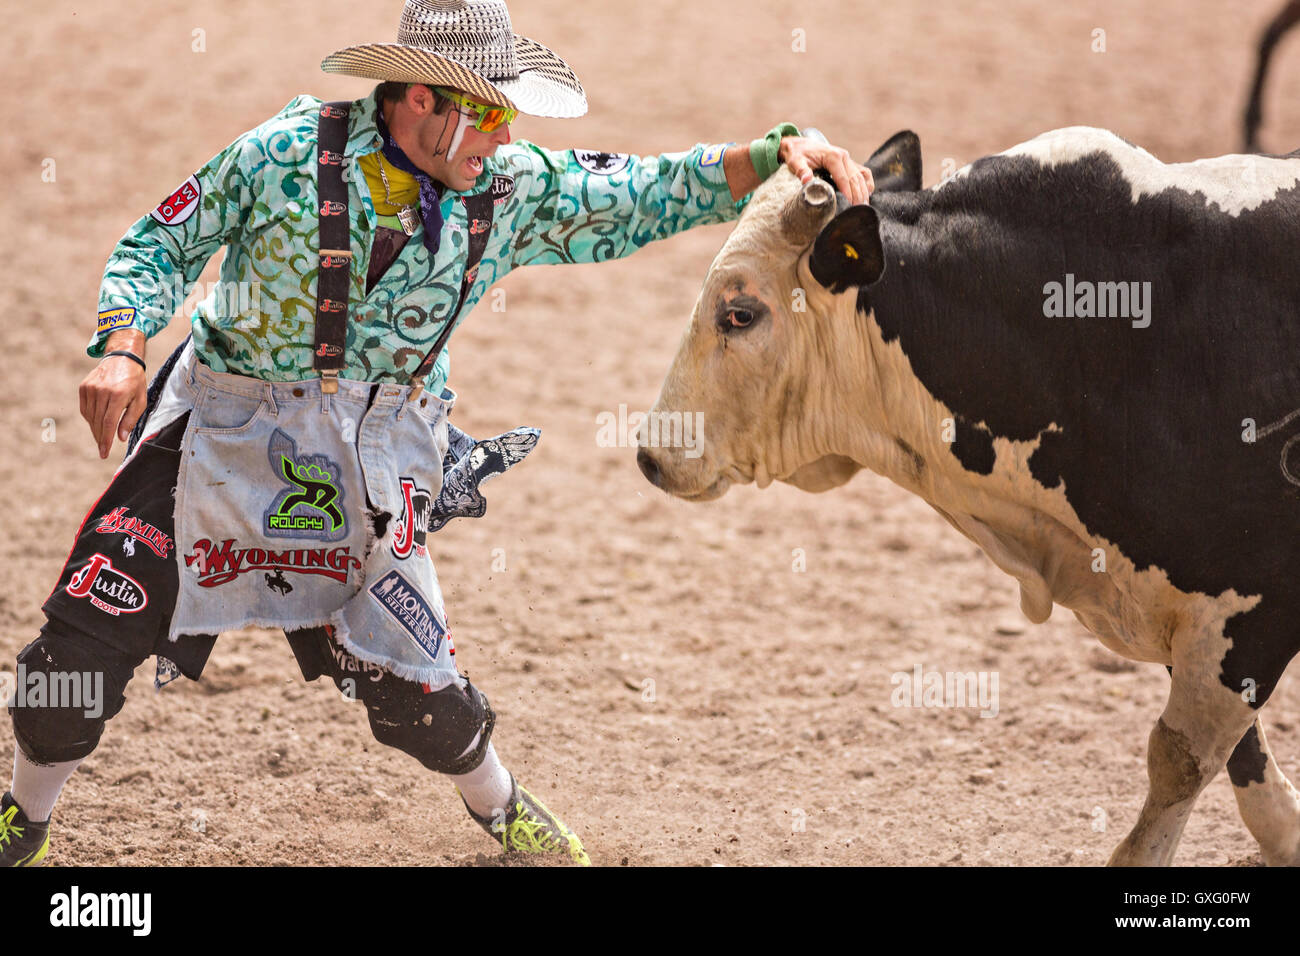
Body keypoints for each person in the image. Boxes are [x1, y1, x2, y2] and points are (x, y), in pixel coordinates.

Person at [0, 0, 873, 867]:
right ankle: (23, 824)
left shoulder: (511, 184)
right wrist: (122, 348)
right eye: (490, 112)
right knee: (76, 650)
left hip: (374, 458)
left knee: (419, 695)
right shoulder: (280, 153)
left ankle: (502, 807)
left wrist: (771, 155)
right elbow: (161, 242)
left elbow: (634, 194)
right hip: (221, 432)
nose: (504, 135)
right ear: (420, 99)